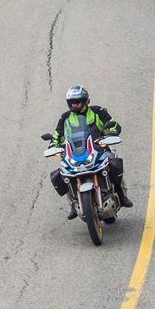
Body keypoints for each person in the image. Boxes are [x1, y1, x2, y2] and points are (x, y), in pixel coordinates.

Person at [48, 85, 133, 219]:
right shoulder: (65, 118)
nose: (74, 105)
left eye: (77, 102)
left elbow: (112, 123)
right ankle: (72, 205)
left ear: (85, 100)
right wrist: (53, 144)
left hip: (99, 148)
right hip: (75, 152)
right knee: (64, 172)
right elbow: (57, 135)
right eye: (72, 102)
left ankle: (122, 195)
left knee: (114, 164)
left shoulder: (97, 111)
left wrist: (111, 131)